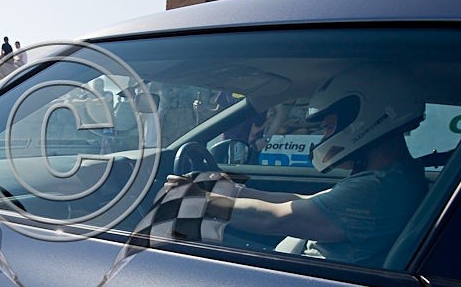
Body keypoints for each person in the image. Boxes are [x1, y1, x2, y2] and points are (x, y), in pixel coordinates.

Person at [168, 65, 428, 267]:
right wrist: (231, 189)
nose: (324, 138)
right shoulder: (393, 178)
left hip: (316, 284)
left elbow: (274, 219)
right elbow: (303, 201)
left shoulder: (377, 189)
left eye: (328, 127)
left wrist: (198, 202)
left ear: (362, 120)